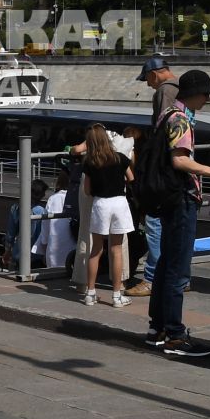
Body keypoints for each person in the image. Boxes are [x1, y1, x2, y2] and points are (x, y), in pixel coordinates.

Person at [145, 69, 210, 358]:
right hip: (182, 198)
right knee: (178, 269)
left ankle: (158, 329)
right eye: (206, 93)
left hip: (169, 199)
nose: (208, 98)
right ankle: (176, 336)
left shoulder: (167, 115)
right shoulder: (180, 120)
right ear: (194, 94)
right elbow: (180, 161)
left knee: (166, 264)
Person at [127, 55, 178, 296]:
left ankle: (151, 278)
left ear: (154, 74)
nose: (148, 85)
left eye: (147, 79)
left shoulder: (164, 92)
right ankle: (180, 277)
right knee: (174, 225)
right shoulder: (182, 89)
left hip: (163, 165)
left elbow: (162, 128)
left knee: (154, 223)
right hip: (178, 164)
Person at [78, 122, 134, 307]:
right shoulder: (119, 158)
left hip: (101, 204)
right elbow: (131, 177)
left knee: (96, 250)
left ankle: (90, 293)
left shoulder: (90, 162)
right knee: (116, 250)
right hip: (119, 203)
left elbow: (87, 191)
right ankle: (117, 296)